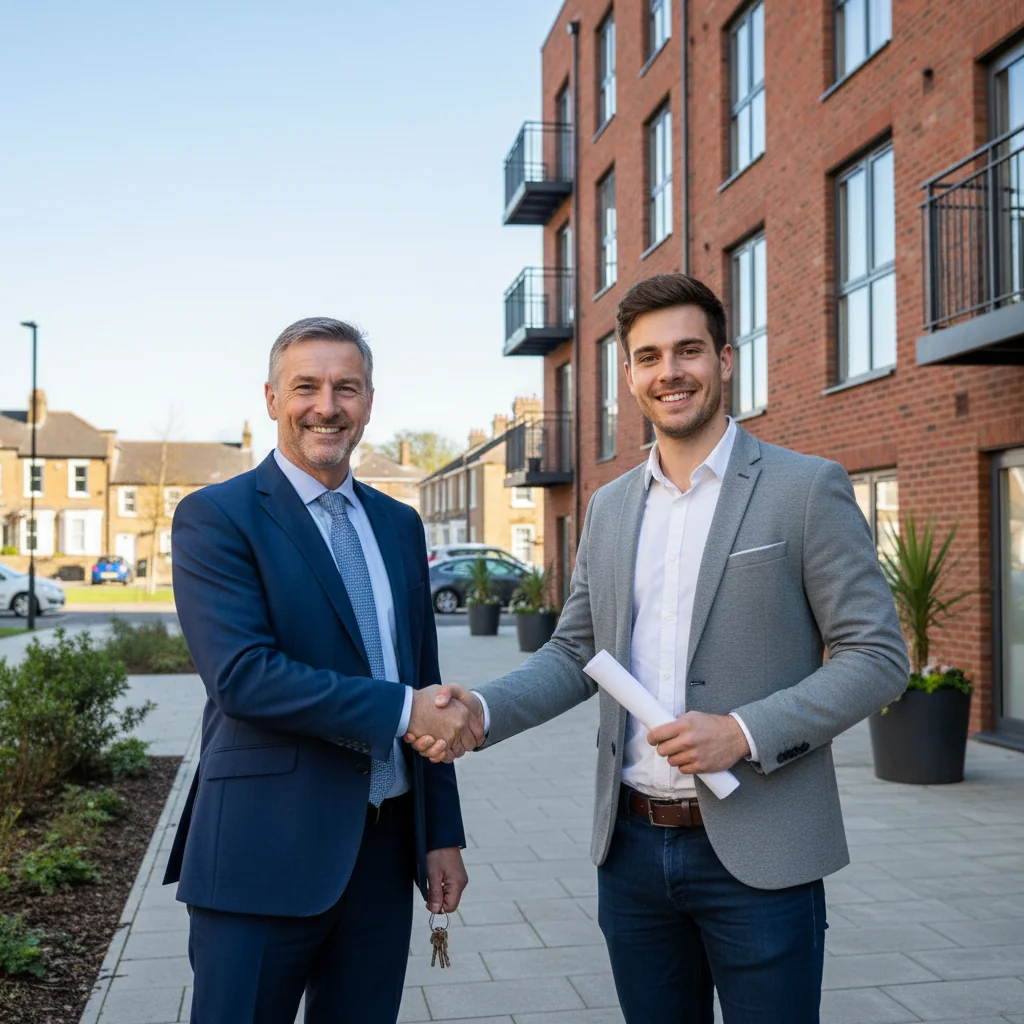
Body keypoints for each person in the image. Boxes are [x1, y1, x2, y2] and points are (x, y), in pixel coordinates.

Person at [408, 275, 909, 1024]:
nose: (668, 372)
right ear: (630, 376)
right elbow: (576, 650)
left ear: (726, 360)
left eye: (687, 350)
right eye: (648, 357)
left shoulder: (804, 490)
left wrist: (741, 732)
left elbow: (877, 656)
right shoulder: (609, 508)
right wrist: (480, 709)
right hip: (633, 852)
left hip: (762, 851)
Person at [165, 317, 473, 1024]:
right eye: (307, 386)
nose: (327, 406)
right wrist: (403, 710)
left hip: (382, 850)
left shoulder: (399, 525)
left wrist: (440, 832)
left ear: (369, 401)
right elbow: (244, 676)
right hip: (260, 852)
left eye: (347, 388)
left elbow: (424, 676)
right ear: (272, 398)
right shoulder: (217, 517)